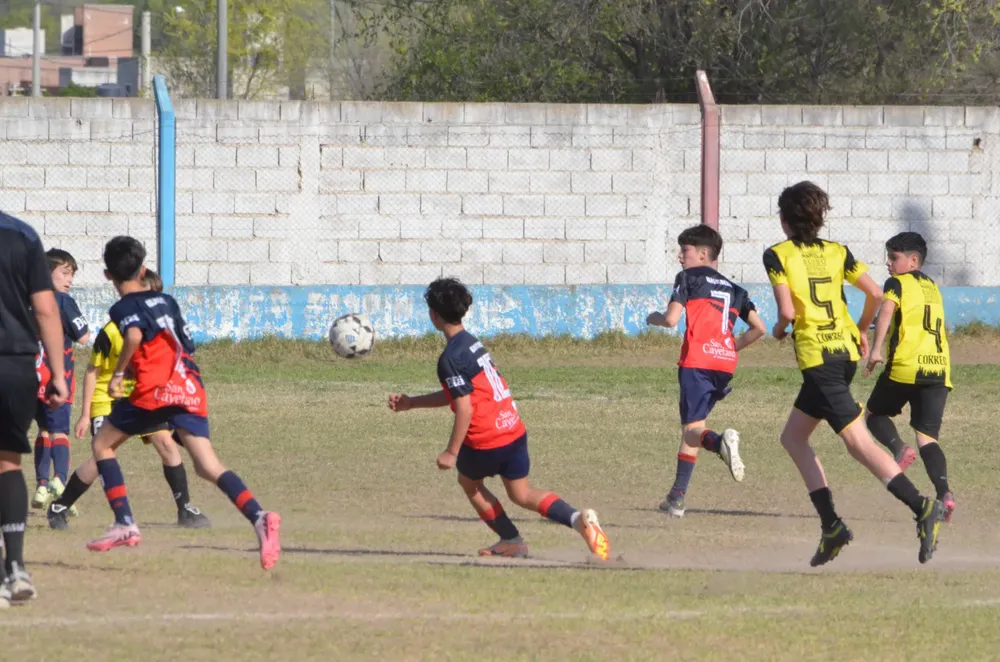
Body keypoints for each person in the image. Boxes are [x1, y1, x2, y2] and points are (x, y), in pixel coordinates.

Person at [762, 181, 945, 566]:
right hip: (842, 353)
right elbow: (876, 294)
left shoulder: (777, 255)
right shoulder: (837, 251)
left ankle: (922, 506)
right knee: (794, 438)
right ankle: (831, 525)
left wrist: (779, 331)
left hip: (819, 360)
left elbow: (788, 314)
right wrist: (861, 329)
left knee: (859, 444)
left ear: (784, 221)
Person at [84, 236, 279, 570]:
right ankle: (259, 517)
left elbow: (132, 336)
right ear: (143, 268)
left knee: (103, 444)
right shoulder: (167, 300)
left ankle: (125, 522)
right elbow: (185, 343)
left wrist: (119, 374)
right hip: (188, 385)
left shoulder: (123, 308)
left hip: (154, 390)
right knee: (207, 465)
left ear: (107, 275)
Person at [388, 277, 610, 560]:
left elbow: (465, 407)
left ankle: (511, 540)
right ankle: (578, 519)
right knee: (522, 493)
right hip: (513, 431)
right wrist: (413, 403)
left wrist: (451, 452)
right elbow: (463, 393)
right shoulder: (471, 343)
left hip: (486, 439)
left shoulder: (449, 358)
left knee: (470, 483)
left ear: (434, 315)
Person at [47, 268, 211, 531]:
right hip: (107, 398)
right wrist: (86, 413)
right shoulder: (113, 331)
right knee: (102, 458)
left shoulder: (157, 330)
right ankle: (60, 506)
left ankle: (185, 509)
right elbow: (92, 371)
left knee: (166, 444)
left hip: (141, 396)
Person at [646, 225, 766, 517]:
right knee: (694, 427)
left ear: (702, 253)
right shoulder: (736, 289)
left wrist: (654, 319)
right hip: (723, 364)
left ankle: (721, 441)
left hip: (697, 362)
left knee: (694, 431)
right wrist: (728, 348)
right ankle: (676, 497)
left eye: (684, 250)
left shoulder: (687, 278)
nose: (679, 256)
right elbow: (759, 328)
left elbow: (672, 319)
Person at [0, 210, 69, 607]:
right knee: (8, 464)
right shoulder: (23, 234)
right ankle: (17, 567)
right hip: (15, 366)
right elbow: (45, 309)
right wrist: (58, 374)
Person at [865, 232, 955, 521]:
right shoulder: (932, 287)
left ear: (913, 260)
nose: (888, 264)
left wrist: (876, 349)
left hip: (907, 365)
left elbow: (887, 312)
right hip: (939, 369)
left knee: (873, 414)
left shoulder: (896, 283)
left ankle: (898, 449)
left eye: (894, 258)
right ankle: (945, 495)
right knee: (927, 438)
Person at [31, 249, 90, 512]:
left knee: (43, 430)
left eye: (72, 275)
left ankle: (42, 484)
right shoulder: (63, 302)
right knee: (59, 432)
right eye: (64, 273)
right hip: (57, 378)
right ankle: (61, 482)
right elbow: (84, 336)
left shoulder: (27, 299)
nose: (69, 280)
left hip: (29, 377)